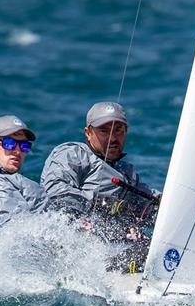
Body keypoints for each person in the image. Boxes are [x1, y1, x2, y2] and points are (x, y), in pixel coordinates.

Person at [40, 101, 159, 271]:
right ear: (88, 133)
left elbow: (149, 204)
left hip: (115, 250)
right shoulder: (74, 154)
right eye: (104, 131)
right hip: (76, 253)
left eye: (118, 130)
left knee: (158, 249)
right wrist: (100, 202)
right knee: (146, 252)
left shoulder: (126, 172)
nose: (112, 138)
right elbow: (55, 191)